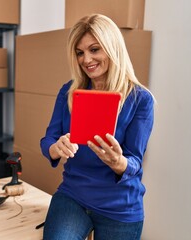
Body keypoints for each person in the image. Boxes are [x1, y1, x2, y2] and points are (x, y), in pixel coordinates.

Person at [40, 14, 155, 240]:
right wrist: (56, 148)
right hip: (74, 195)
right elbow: (48, 140)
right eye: (80, 52)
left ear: (112, 48)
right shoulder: (68, 92)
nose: (86, 59)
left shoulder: (141, 99)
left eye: (94, 49)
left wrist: (118, 162)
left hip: (119, 205)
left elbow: (134, 162)